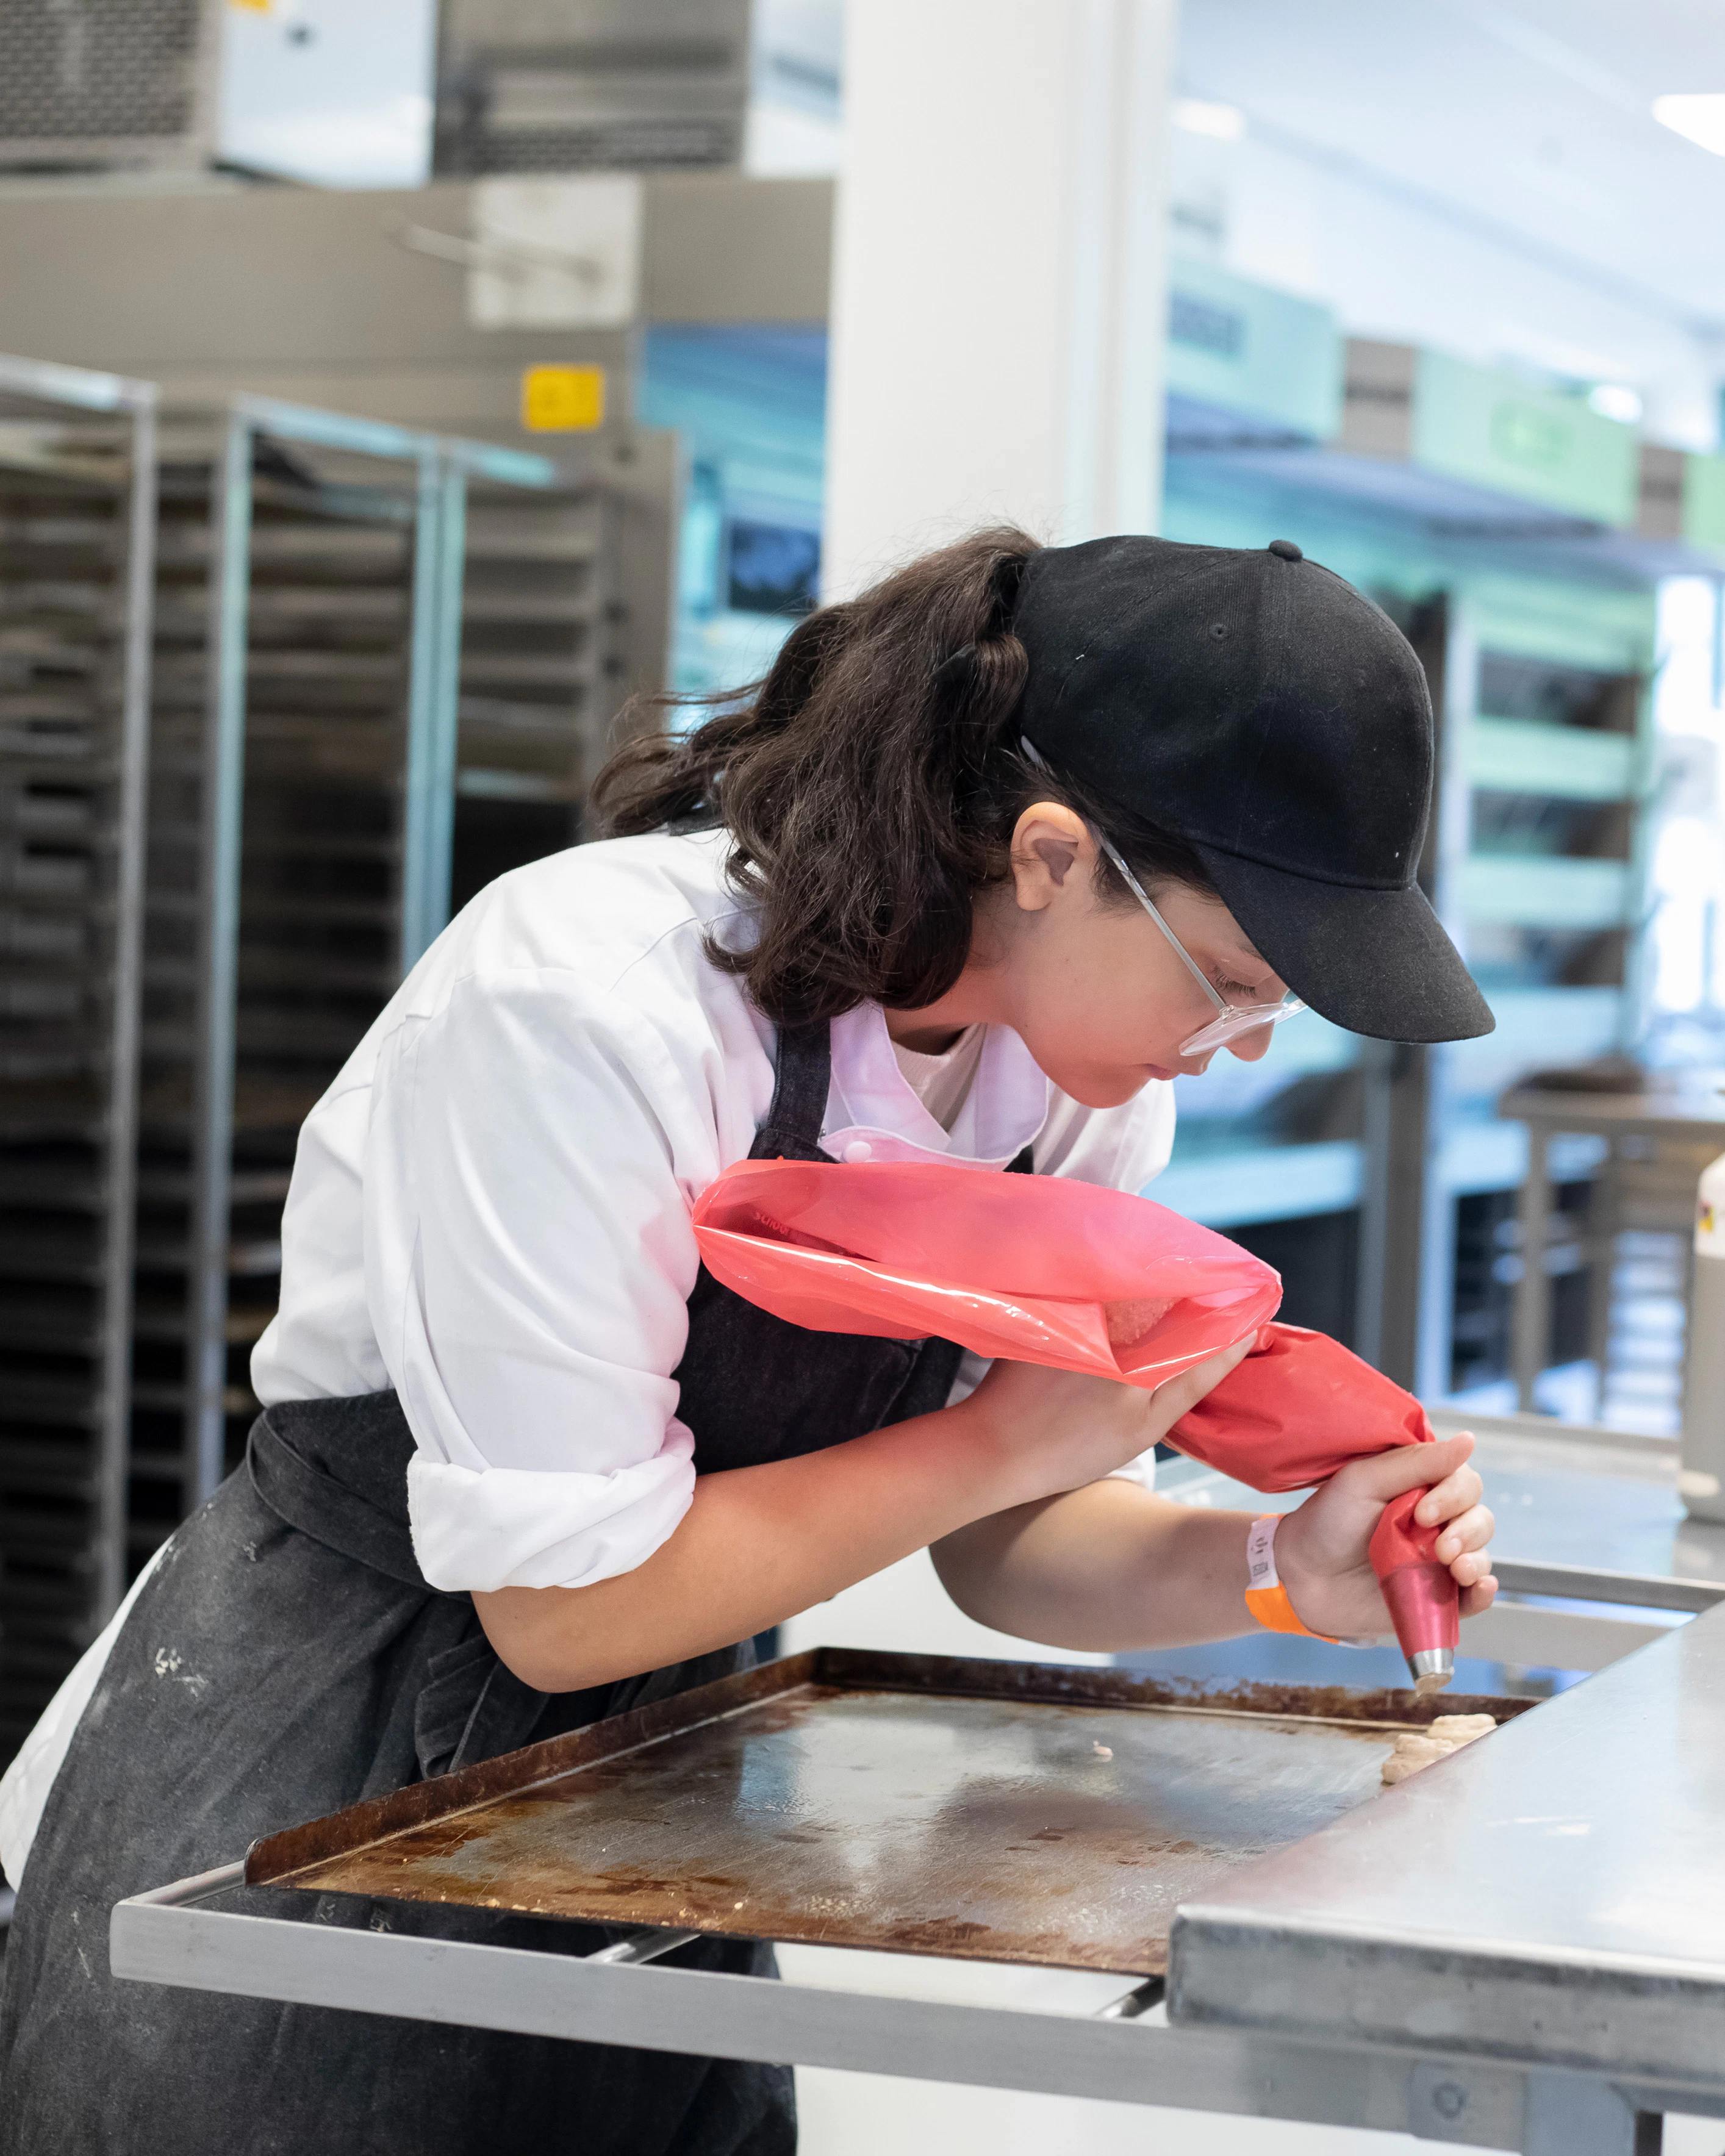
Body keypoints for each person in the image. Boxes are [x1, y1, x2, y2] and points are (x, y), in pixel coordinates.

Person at [0, 528, 1499, 2152]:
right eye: (1227, 978)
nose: (1242, 1043)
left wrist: (1276, 1563)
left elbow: (1005, 1540)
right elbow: (562, 1611)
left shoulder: (1062, 1087)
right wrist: (1007, 1436)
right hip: (307, 1755)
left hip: (653, 1781)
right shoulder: (589, 1000)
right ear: (1050, 857)